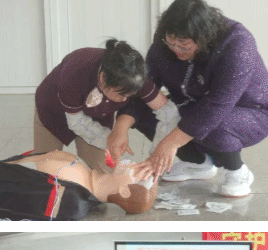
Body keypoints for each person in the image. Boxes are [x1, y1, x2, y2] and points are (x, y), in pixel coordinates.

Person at [119, 0, 268, 198]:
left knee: (212, 122)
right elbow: (144, 85)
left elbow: (218, 106)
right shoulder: (165, 39)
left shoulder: (237, 42)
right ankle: (197, 163)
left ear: (204, 37)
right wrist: (121, 125)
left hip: (251, 110)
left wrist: (170, 143)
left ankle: (237, 172)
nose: (176, 50)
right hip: (194, 104)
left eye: (184, 45)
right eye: (171, 43)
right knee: (148, 114)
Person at [33, 39, 175, 173]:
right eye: (120, 94)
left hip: (97, 117)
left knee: (102, 172)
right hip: (53, 111)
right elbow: (77, 123)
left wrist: (162, 148)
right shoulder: (75, 73)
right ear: (102, 78)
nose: (124, 100)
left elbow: (168, 111)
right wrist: (110, 139)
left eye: (129, 95)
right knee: (47, 170)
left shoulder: (135, 77)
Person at [0, 149, 157, 220]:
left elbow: (16, 201)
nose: (134, 164)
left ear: (124, 191)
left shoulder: (70, 200)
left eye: (137, 173)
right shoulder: (85, 167)